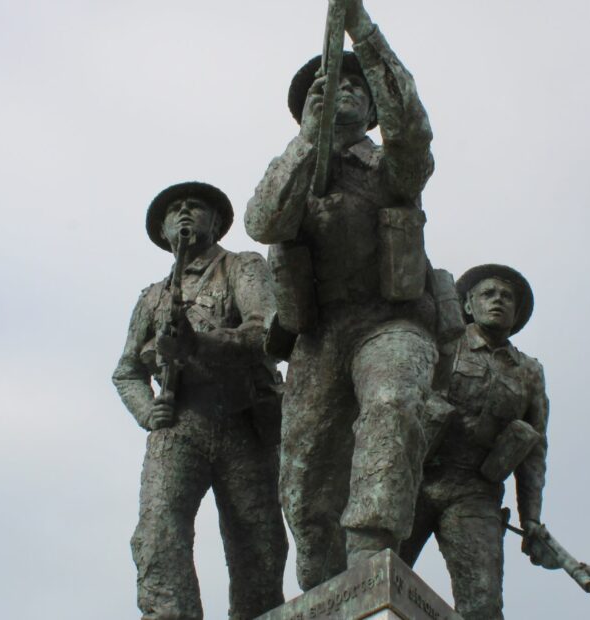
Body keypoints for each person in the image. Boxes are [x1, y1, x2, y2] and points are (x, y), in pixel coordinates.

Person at [245, 0, 439, 590]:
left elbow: (413, 127)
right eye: (329, 88)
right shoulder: (293, 168)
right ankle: (325, 585)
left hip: (389, 324)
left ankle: (373, 552)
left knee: (392, 404)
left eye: (358, 87)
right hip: (319, 336)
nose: (343, 91)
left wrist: (363, 31)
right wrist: (309, 141)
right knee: (303, 491)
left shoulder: (392, 166)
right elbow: (264, 223)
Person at [112, 182, 287, 620]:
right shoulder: (152, 297)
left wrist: (197, 344)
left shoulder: (242, 267)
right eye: (175, 210)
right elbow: (127, 371)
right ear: (163, 229)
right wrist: (147, 411)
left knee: (258, 544)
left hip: (243, 423)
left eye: (195, 207)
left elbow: (263, 332)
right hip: (179, 426)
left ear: (216, 221)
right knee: (157, 532)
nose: (185, 213)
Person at [399, 264, 557, 620]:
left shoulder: (529, 372)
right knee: (373, 574)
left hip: (475, 492)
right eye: (489, 294)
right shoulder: (444, 341)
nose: (498, 301)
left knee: (483, 605)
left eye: (507, 298)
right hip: (415, 476)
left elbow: (534, 451)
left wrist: (531, 519)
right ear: (468, 305)